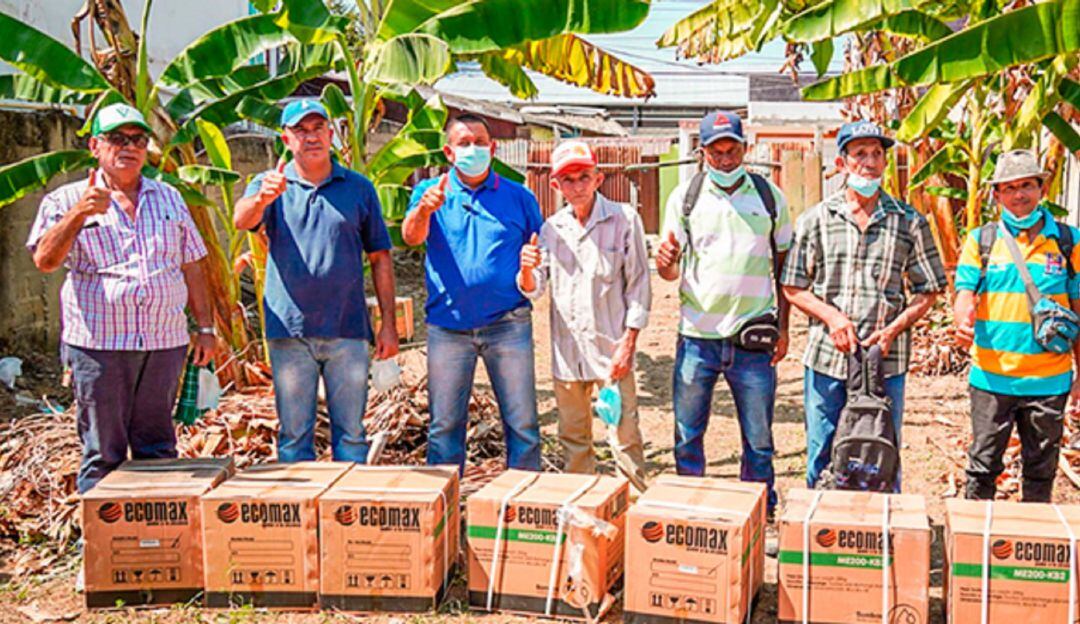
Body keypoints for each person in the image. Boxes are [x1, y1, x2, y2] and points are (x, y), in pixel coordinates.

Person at [26, 103, 215, 493]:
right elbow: (45, 260)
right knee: (103, 451)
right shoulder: (66, 200)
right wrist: (79, 214)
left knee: (158, 446)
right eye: (116, 138)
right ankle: (101, 544)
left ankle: (157, 537)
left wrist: (207, 327)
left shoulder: (168, 198)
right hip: (100, 346)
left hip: (164, 343)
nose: (128, 147)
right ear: (95, 145)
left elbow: (193, 265)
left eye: (138, 139)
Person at [781, 120, 948, 490]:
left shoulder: (909, 222)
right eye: (860, 155)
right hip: (827, 358)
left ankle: (881, 534)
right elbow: (793, 286)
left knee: (881, 450)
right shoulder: (816, 220)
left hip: (885, 361)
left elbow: (931, 289)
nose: (869, 162)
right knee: (823, 448)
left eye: (877, 154)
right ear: (842, 164)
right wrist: (832, 317)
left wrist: (892, 329)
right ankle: (820, 532)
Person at [234, 99, 399, 463]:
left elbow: (380, 257)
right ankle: (302, 517)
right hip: (290, 331)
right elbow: (241, 220)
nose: (311, 138)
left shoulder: (358, 187)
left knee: (352, 436)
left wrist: (388, 325)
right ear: (286, 139)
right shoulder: (270, 184)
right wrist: (263, 198)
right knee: (294, 437)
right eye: (300, 131)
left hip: (348, 330)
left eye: (317, 128)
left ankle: (348, 514)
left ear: (330, 134)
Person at [655, 110, 792, 513]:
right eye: (717, 153)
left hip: (753, 339)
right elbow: (668, 269)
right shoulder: (686, 197)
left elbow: (784, 264)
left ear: (745, 150)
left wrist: (783, 327)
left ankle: (759, 512)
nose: (727, 160)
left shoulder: (769, 196)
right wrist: (665, 262)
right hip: (698, 338)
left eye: (734, 151)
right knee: (687, 434)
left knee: (759, 439)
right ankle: (688, 510)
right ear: (703, 153)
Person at [402, 114, 542, 472]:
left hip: (508, 324)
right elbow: (411, 237)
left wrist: (531, 267)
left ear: (493, 148)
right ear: (449, 152)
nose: (473, 149)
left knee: (522, 424)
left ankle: (521, 508)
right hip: (447, 328)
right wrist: (423, 210)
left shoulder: (520, 197)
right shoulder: (430, 193)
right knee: (445, 427)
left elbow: (540, 253)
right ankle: (446, 511)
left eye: (480, 142)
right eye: (464, 144)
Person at [518, 141, 650, 485]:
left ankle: (632, 511)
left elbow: (638, 286)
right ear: (555, 186)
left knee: (624, 438)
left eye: (584, 177)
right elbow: (535, 288)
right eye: (568, 179)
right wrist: (527, 269)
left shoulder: (624, 219)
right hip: (567, 355)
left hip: (611, 352)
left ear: (598, 178)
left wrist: (628, 343)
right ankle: (583, 512)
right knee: (574, 440)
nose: (577, 186)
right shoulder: (551, 229)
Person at [954, 149, 1080, 502]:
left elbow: (1079, 311)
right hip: (991, 377)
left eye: (1027, 185)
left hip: (1049, 379)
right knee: (982, 465)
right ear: (997, 195)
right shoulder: (982, 239)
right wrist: (961, 317)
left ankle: (1029, 547)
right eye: (1009, 188)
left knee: (1040, 468)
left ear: (1042, 189)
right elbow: (964, 291)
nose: (1019, 194)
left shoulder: (1069, 241)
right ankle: (974, 546)